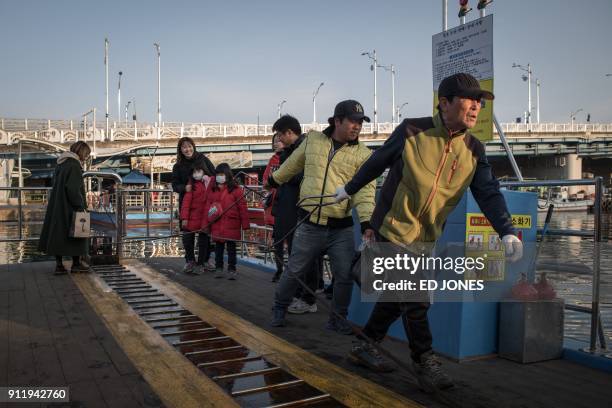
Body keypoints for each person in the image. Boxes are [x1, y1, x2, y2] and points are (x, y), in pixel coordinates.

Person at [335, 73, 524, 392]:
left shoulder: (475, 150)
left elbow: (489, 192)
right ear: (445, 102)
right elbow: (377, 162)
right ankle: (424, 361)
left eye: (480, 101)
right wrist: (348, 188)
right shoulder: (412, 130)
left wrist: (506, 230)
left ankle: (365, 345)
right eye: (470, 99)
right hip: (392, 229)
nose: (476, 106)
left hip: (425, 239)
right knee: (415, 297)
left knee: (397, 299)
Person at [267, 100, 376, 332]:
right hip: (309, 223)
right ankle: (279, 307)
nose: (357, 126)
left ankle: (338, 319)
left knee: (344, 276)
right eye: (353, 121)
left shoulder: (364, 155)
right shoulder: (313, 141)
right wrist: (275, 179)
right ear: (337, 120)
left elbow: (365, 192)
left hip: (342, 227)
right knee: (294, 270)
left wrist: (367, 221)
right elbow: (294, 165)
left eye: (360, 122)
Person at [270, 115, 322, 313]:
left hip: (300, 210)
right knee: (296, 255)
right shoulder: (291, 151)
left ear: (290, 133)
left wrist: (285, 173)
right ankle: (300, 294)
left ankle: (308, 298)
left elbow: (303, 177)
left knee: (304, 257)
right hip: (290, 209)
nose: (279, 140)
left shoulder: (307, 150)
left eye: (281, 136)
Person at [38, 141, 92, 274]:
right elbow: (73, 189)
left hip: (57, 205)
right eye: (86, 155)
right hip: (69, 206)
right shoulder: (74, 166)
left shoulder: (61, 164)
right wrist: (80, 206)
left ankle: (59, 266)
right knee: (78, 234)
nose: (85, 158)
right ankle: (76, 264)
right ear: (81, 152)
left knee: (58, 234)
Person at [172, 137, 216, 272]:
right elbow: (174, 185)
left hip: (204, 204)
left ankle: (205, 260)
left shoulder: (202, 159)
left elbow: (213, 174)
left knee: (205, 234)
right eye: (184, 147)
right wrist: (184, 188)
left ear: (193, 146)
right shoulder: (178, 166)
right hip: (187, 203)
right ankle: (190, 260)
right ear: (180, 150)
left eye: (189, 146)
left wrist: (206, 180)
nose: (187, 149)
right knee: (187, 235)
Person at [204, 163, 250, 280]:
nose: (220, 176)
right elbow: (208, 207)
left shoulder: (236, 190)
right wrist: (206, 224)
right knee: (218, 248)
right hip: (217, 224)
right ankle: (219, 268)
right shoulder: (213, 190)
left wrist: (245, 225)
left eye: (222, 174)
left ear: (228, 175)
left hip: (232, 224)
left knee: (231, 248)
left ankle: (232, 269)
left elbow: (242, 207)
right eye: (218, 174)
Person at [179, 161, 213, 274]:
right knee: (187, 240)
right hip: (191, 218)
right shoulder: (191, 185)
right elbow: (186, 203)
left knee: (204, 242)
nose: (196, 174)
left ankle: (202, 262)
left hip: (205, 219)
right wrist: (184, 218)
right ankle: (190, 260)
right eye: (194, 172)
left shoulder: (210, 183)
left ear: (204, 171)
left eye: (198, 171)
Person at [262, 133, 284, 281]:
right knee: (278, 241)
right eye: (274, 141)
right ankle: (280, 269)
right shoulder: (272, 160)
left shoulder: (291, 158)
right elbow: (265, 180)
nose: (276, 143)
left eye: (279, 141)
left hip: (288, 203)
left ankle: (291, 273)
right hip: (276, 204)